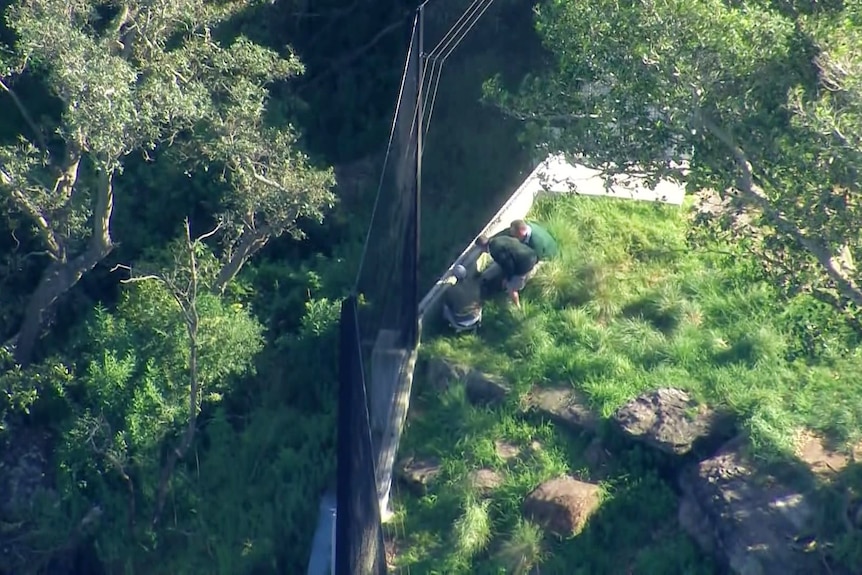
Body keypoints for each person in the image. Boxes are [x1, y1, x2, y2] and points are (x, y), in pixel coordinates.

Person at [476, 234, 538, 309]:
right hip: (531, 254)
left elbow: (509, 265)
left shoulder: (495, 250)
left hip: (524, 264)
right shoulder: (500, 238)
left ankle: (518, 307)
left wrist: (507, 279)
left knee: (510, 287)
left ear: (482, 247)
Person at [442, 264, 483, 331]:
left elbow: (449, 304)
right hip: (475, 317)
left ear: (455, 276)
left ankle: (446, 327)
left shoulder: (452, 290)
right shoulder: (474, 285)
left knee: (445, 307)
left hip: (460, 321)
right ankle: (476, 324)